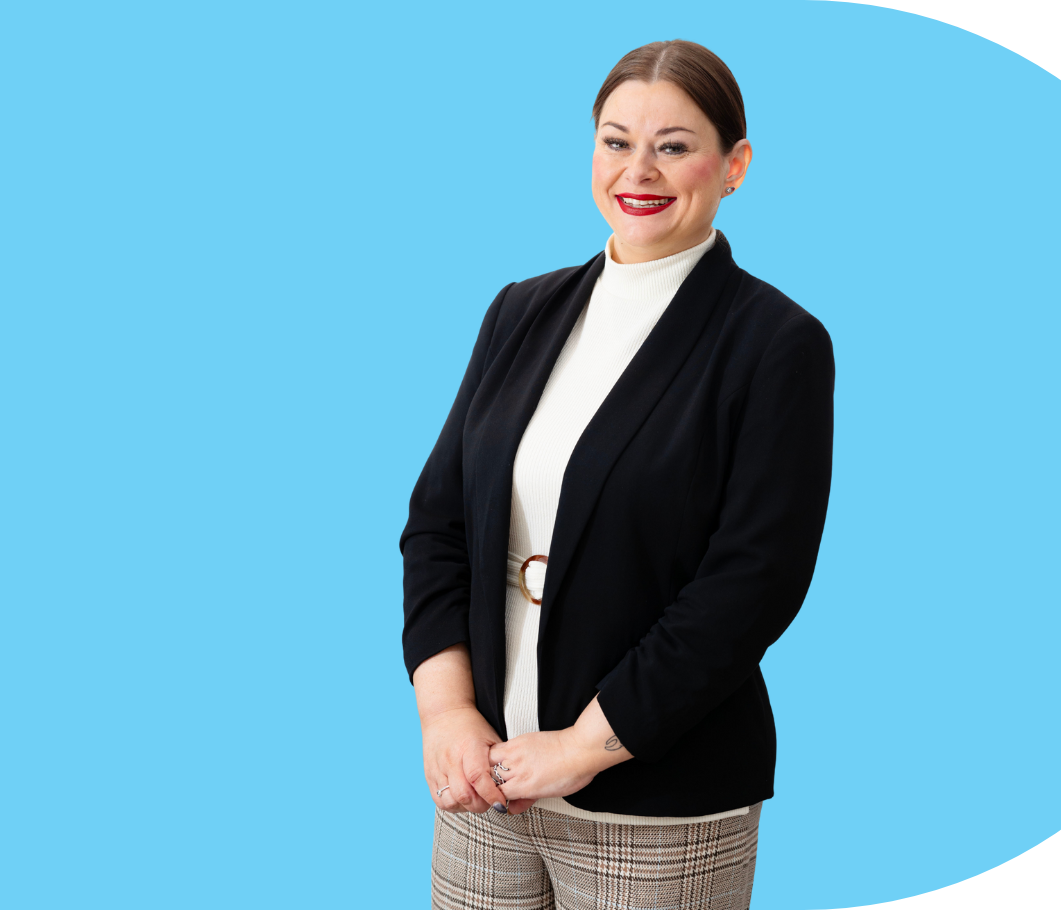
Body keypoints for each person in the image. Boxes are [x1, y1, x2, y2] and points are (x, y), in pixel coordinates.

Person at [401, 38, 834, 910]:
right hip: (485, 783)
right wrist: (445, 713)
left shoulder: (775, 344)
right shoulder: (521, 310)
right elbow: (437, 523)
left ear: (734, 165)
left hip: (657, 806)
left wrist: (587, 745)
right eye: (615, 140)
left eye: (674, 145)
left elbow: (753, 582)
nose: (639, 168)